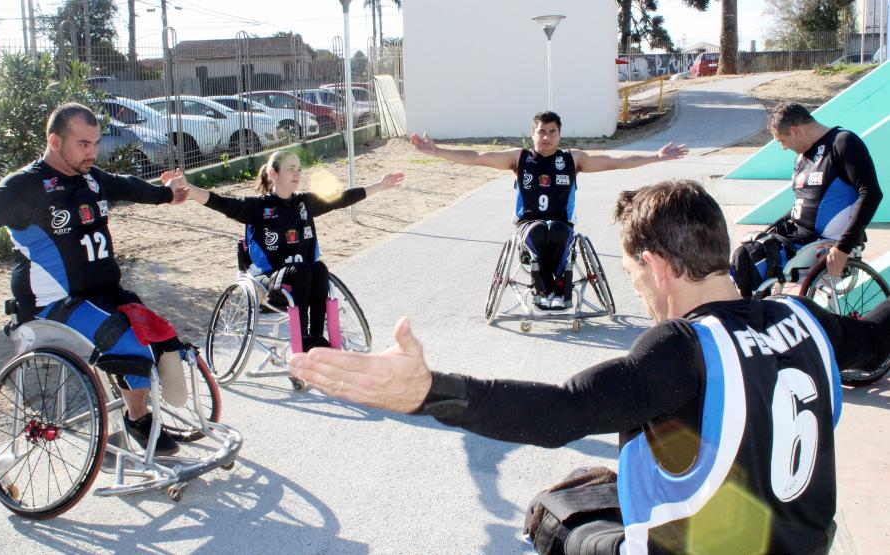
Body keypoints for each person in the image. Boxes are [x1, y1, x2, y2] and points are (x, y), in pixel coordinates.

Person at [289, 180, 890, 554]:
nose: (636, 292)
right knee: (601, 484)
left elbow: (561, 412)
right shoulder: (806, 318)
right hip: (810, 542)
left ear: (656, 266)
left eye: (631, 274)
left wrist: (426, 392)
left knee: (555, 518)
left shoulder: (681, 349)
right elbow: (879, 339)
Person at [0, 102, 194, 456]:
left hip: (103, 295)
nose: (92, 152)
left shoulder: (91, 178)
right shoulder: (24, 186)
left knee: (160, 335)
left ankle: (141, 410)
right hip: (53, 308)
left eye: (95, 143)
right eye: (83, 144)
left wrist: (167, 194)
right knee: (129, 343)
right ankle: (138, 420)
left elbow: (128, 186)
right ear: (55, 141)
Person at [410, 111, 687, 309]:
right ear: (533, 134)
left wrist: (656, 156)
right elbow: (476, 158)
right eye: (541, 131)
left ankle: (560, 290)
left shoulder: (571, 159)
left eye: (552, 132)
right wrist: (437, 151)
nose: (546, 137)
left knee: (557, 231)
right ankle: (543, 289)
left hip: (562, 224)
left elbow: (614, 161)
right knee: (541, 231)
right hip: (529, 224)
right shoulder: (519, 159)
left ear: (559, 135)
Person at [183, 150, 404, 350]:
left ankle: (317, 338)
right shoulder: (257, 207)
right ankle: (304, 339)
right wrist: (190, 190)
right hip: (268, 281)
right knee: (302, 270)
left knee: (318, 268)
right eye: (290, 168)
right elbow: (222, 203)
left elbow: (342, 198)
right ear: (273, 173)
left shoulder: (305, 203)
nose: (297, 173)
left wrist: (379, 185)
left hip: (303, 278)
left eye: (299, 168)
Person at [731, 102, 883, 297]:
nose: (783, 147)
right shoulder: (801, 158)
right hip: (796, 237)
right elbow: (800, 206)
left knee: (751, 260)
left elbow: (871, 193)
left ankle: (757, 315)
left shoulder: (843, 143)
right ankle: (757, 313)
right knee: (743, 255)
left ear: (795, 131)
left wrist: (844, 247)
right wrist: (769, 230)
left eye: (781, 140)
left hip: (821, 242)